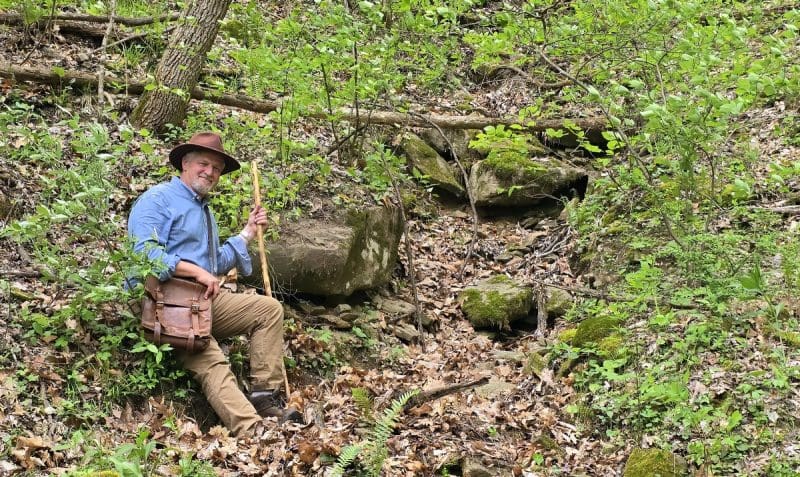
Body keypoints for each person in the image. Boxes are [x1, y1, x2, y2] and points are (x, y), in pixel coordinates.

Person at [127, 131, 300, 437]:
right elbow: (145, 254)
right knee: (210, 356)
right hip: (165, 303)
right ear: (185, 163)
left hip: (203, 301)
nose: (210, 172)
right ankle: (252, 430)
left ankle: (264, 397)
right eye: (204, 164)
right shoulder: (158, 199)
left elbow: (214, 264)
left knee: (268, 310)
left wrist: (247, 233)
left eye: (217, 169)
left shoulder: (204, 210)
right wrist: (196, 273)